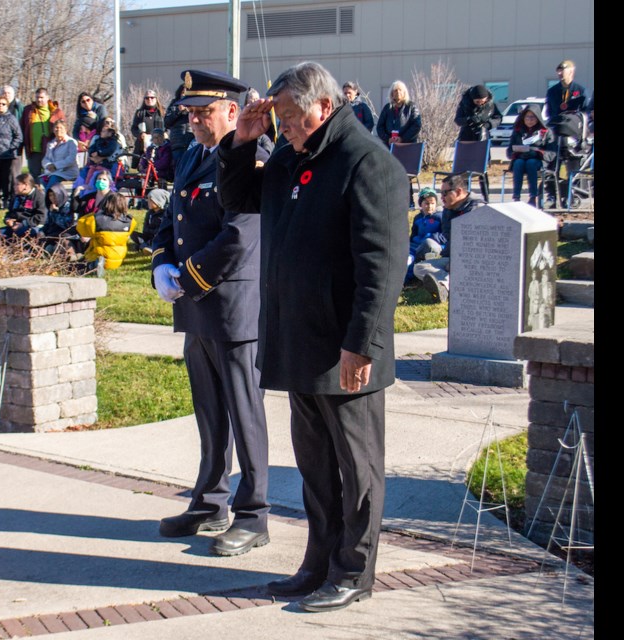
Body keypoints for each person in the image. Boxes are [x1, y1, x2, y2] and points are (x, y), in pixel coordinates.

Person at [219, 60, 407, 612]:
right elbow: (238, 199)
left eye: (291, 116)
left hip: (344, 350)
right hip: (298, 343)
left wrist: (362, 344)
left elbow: (382, 265)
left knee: (358, 472)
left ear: (323, 106)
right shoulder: (288, 157)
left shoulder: (366, 162)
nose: (285, 126)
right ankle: (319, 563)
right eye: (278, 117)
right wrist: (240, 142)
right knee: (317, 471)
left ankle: (354, 572)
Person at [151, 69, 271, 557]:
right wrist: (161, 264)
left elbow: (241, 234)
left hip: (231, 306)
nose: (194, 120)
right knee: (209, 412)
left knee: (244, 414)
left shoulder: (252, 158)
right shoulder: (193, 155)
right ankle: (210, 500)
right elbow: (169, 220)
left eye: (203, 112)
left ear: (232, 112)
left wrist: (189, 277)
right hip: (196, 305)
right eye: (190, 113)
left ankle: (254, 514)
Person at [412, 172, 485, 303]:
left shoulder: (477, 209)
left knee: (461, 270)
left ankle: (444, 286)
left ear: (458, 191)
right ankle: (444, 285)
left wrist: (456, 262)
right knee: (419, 267)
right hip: (453, 259)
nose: (442, 198)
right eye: (441, 194)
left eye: (445, 193)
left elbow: (478, 247)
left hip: (476, 263)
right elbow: (447, 236)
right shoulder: (448, 209)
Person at [506, 104, 555, 208]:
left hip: (538, 161)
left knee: (531, 163)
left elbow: (551, 153)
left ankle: (533, 196)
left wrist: (537, 151)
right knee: (518, 163)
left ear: (538, 118)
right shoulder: (518, 131)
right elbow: (509, 151)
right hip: (521, 158)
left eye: (532, 117)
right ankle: (516, 197)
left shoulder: (546, 132)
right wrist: (517, 151)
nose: (529, 120)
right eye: (527, 117)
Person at [77, 191, 136, 272]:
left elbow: (81, 228)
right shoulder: (130, 221)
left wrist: (94, 214)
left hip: (97, 256)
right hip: (117, 260)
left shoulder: (95, 219)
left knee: (76, 265)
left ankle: (95, 265)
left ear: (105, 203)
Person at [0, 96, 24, 210]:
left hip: (7, 155)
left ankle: (6, 201)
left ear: (7, 106)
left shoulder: (11, 119)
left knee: (6, 180)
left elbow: (18, 136)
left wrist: (11, 148)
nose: (0, 106)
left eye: (3, 104)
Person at [20, 88, 66, 177]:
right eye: (37, 97)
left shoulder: (56, 112)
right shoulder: (28, 110)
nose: (39, 100)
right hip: (33, 151)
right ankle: (36, 191)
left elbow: (64, 130)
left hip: (51, 150)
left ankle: (49, 191)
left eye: (41, 97)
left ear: (47, 98)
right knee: (34, 176)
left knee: (51, 176)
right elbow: (22, 128)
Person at [405, 186, 444, 284]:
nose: (430, 206)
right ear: (421, 204)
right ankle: (404, 279)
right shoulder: (418, 218)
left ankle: (412, 277)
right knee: (407, 258)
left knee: (423, 251)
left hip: (431, 245)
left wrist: (431, 237)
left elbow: (444, 235)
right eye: (426, 203)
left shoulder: (440, 217)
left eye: (432, 203)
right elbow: (413, 234)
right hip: (416, 245)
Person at [1, 173, 46, 239]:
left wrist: (23, 224)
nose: (14, 187)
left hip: (31, 227)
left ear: (26, 185)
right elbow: (10, 212)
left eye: (17, 184)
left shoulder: (39, 197)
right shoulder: (16, 197)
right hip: (15, 226)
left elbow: (41, 217)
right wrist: (7, 220)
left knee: (16, 236)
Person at [375, 80, 421, 145]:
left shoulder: (411, 107)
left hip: (407, 145)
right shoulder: (387, 108)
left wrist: (402, 138)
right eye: (395, 90)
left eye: (400, 90)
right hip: (389, 146)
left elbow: (416, 125)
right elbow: (380, 127)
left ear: (404, 92)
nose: (398, 92)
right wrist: (387, 139)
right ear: (392, 93)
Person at [164, 84, 195, 174]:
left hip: (192, 140)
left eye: (187, 92)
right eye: (183, 92)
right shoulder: (175, 104)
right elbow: (167, 122)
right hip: (178, 142)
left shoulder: (195, 104)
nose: (184, 94)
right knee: (178, 169)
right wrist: (178, 110)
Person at [545, 60, 588, 124]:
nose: (559, 73)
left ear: (571, 72)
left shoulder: (580, 91)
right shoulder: (552, 91)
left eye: (562, 70)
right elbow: (549, 111)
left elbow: (585, 112)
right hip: (556, 126)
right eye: (558, 71)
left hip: (574, 127)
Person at [131, 90, 165, 169]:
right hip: (143, 144)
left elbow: (168, 126)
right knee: (143, 166)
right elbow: (134, 128)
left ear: (156, 99)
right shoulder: (140, 113)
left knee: (158, 165)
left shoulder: (162, 112)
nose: (149, 100)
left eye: (152, 98)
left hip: (159, 142)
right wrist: (140, 134)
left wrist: (165, 134)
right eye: (147, 98)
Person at [41, 120, 79, 189]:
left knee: (53, 179)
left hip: (67, 171)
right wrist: (48, 165)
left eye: (61, 128)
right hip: (53, 171)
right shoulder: (51, 143)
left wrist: (55, 166)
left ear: (65, 130)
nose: (58, 130)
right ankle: (53, 197)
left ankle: (48, 198)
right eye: (56, 128)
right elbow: (46, 158)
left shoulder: (71, 142)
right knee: (42, 179)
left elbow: (71, 159)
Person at [130, 186, 169, 253]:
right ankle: (145, 245)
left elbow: (161, 230)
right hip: (150, 235)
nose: (148, 201)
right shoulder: (149, 213)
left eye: (151, 200)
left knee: (159, 239)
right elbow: (145, 228)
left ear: (158, 201)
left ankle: (147, 246)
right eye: (147, 199)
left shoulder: (165, 214)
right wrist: (149, 231)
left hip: (159, 237)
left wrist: (151, 231)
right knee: (133, 234)